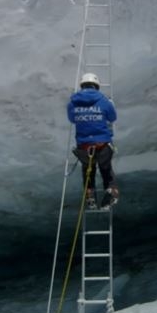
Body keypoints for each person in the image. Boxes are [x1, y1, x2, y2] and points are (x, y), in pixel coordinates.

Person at [67, 73, 119, 210]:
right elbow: (112, 118)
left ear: (82, 85)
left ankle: (90, 197)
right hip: (102, 145)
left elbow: (72, 119)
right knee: (106, 169)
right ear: (96, 86)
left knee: (88, 170)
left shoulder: (73, 102)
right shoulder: (104, 101)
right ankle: (111, 193)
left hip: (84, 148)